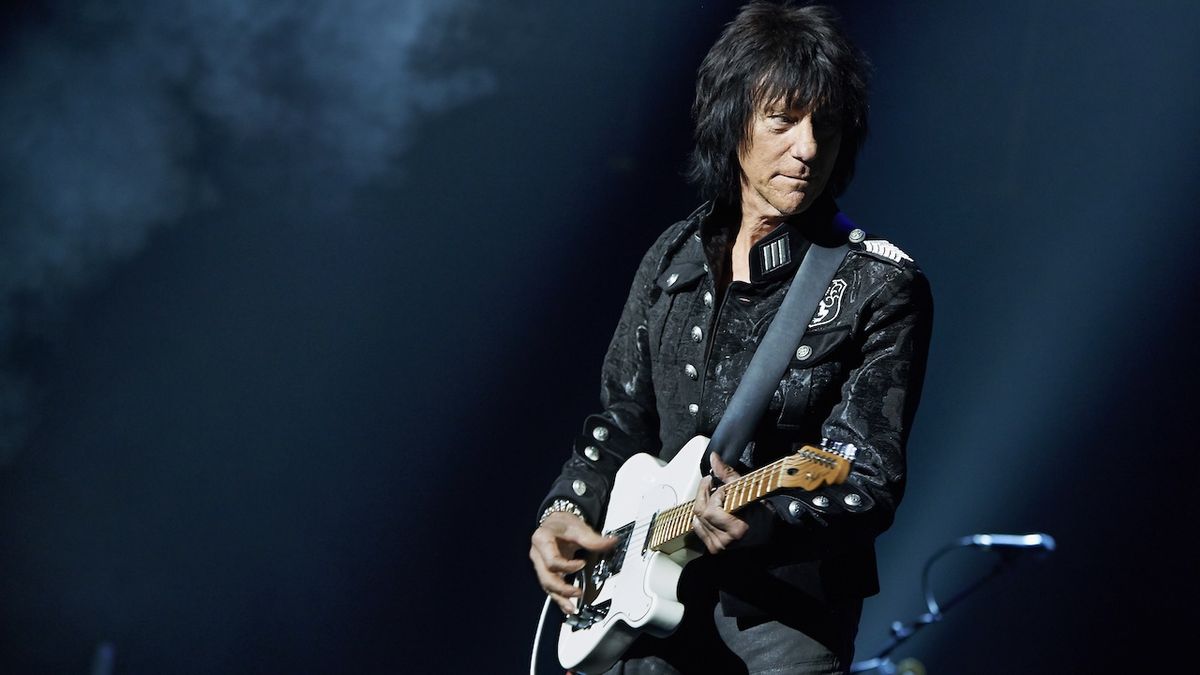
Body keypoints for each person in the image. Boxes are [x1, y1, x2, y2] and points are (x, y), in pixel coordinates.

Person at [529, 2, 932, 673]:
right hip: (642, 611)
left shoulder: (878, 285)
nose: (808, 148)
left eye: (825, 126)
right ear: (732, 120)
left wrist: (769, 522)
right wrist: (564, 509)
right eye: (783, 119)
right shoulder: (672, 256)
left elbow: (866, 478)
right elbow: (621, 417)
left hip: (780, 623)